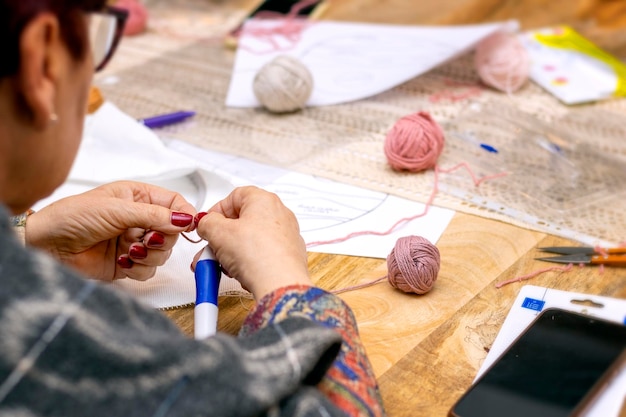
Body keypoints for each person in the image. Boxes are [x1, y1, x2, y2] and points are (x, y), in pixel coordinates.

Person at [0, 1, 385, 416]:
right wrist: (285, 283)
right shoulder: (62, 332)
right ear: (42, 62)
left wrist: (31, 237)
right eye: (98, 38)